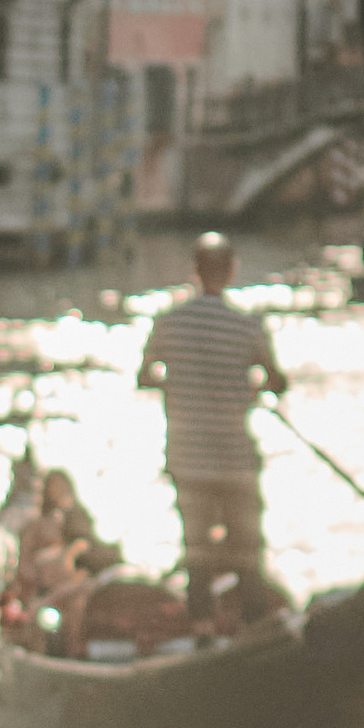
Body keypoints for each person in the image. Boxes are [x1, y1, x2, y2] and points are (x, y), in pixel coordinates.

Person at [135, 234, 291, 630]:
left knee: (197, 548)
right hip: (235, 456)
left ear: (195, 271)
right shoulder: (246, 326)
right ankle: (257, 624)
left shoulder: (168, 322)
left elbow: (144, 376)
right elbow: (277, 380)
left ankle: (202, 629)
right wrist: (252, 387)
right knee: (247, 547)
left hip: (188, 457)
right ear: (231, 271)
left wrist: (174, 383)